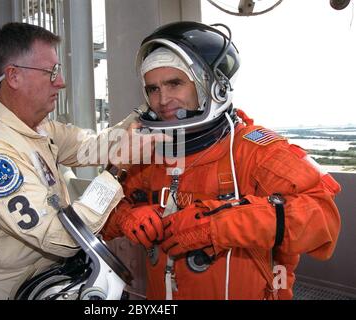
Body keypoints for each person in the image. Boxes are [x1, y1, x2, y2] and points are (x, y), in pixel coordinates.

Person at [102, 21, 342, 300]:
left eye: (174, 83)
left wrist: (217, 225)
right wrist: (128, 216)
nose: (162, 99)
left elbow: (323, 221)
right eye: (153, 88)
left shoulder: (253, 150)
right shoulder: (148, 155)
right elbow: (102, 220)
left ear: (212, 87)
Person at [0, 22, 148, 299]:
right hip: (9, 288)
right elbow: (62, 238)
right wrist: (116, 171)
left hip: (46, 278)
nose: (61, 82)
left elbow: (92, 146)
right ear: (14, 76)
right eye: (51, 71)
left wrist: (145, 112)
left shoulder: (37, 128)